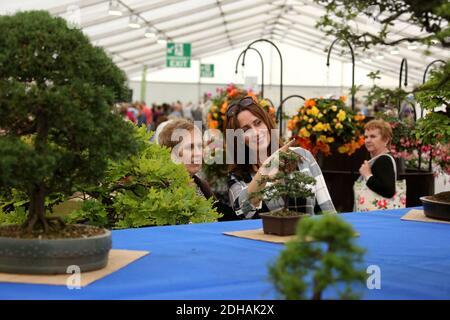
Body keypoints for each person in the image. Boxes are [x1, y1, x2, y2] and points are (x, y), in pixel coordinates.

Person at [225, 96, 336, 219]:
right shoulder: (237, 176)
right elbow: (242, 212)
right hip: (264, 238)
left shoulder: (302, 156)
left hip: (307, 236)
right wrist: (264, 172)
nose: (256, 132)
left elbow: (328, 211)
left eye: (258, 123)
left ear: (267, 122)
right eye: (245, 130)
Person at [158, 118, 237, 221]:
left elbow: (224, 217)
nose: (198, 153)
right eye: (190, 147)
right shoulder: (161, 189)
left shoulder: (201, 186)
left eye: (200, 146)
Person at [358, 119, 396, 198]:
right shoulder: (381, 159)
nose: (367, 140)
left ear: (385, 140)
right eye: (366, 137)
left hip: (379, 210)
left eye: (373, 136)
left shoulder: (384, 160)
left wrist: (367, 175)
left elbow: (389, 191)